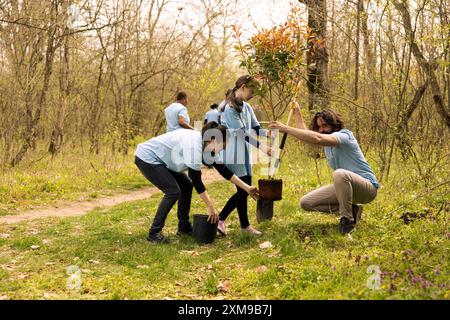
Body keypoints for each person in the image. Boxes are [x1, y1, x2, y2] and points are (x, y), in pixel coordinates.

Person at [134, 121, 259, 243]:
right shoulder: (194, 146)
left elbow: (224, 171)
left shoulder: (208, 146)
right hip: (148, 157)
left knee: (186, 185)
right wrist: (210, 206)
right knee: (173, 191)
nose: (225, 149)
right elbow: (197, 180)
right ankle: (154, 233)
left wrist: (247, 188)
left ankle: (184, 228)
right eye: (224, 145)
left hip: (163, 160)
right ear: (214, 141)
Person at [269, 106, 379, 234]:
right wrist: (297, 112)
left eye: (325, 126)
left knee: (339, 174)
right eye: (319, 127)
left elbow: (317, 138)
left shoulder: (344, 135)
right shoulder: (327, 144)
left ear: (334, 124)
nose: (322, 130)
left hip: (367, 188)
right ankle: (353, 211)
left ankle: (347, 221)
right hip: (346, 186)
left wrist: (286, 129)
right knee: (307, 202)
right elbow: (308, 134)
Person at [218, 75, 271, 236]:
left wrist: (270, 132)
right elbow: (242, 134)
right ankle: (231, 222)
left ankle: (231, 223)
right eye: (251, 91)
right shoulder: (229, 109)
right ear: (242, 87)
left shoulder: (247, 107)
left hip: (245, 153)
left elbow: (254, 129)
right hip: (233, 153)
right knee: (244, 189)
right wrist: (261, 146)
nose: (253, 95)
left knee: (245, 189)